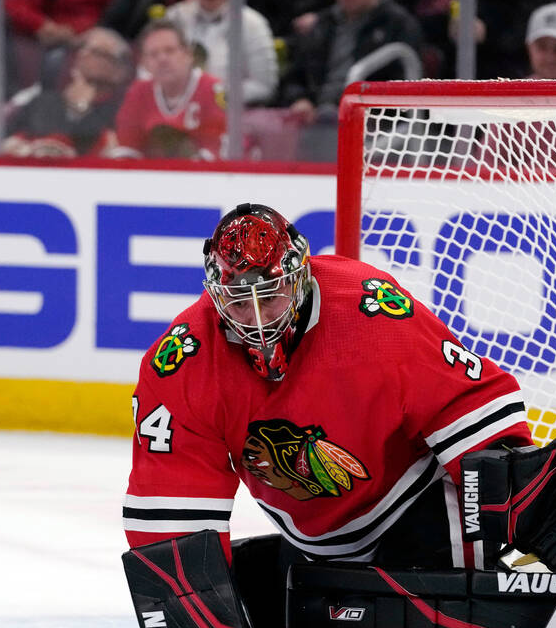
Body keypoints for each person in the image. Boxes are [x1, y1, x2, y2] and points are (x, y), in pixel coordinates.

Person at [124, 203, 533, 572]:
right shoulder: (181, 360)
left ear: (299, 280)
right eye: (238, 302)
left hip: (416, 505)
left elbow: (481, 425)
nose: (256, 320)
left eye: (269, 298)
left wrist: (523, 521)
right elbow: (172, 518)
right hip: (314, 548)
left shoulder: (373, 315)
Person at [281, 0, 421, 160]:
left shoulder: (400, 25)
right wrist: (300, 99)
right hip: (317, 121)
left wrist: (364, 110)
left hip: (377, 130)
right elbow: (294, 77)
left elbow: (405, 89)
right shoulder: (321, 25)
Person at [3, 27, 132, 158]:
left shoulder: (124, 108)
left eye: (97, 52)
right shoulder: (42, 102)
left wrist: (79, 108)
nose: (83, 54)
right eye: (82, 48)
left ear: (119, 70)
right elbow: (10, 140)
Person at [107, 19, 225, 160]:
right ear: (144, 63)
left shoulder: (215, 90)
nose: (162, 59)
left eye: (170, 51)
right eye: (153, 54)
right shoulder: (138, 92)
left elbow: (218, 150)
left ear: (188, 54)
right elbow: (127, 147)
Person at [165, 0, 279, 106]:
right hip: (174, 108)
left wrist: (215, 95)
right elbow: (149, 66)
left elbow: (264, 85)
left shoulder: (253, 24)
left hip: (230, 115)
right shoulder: (174, 17)